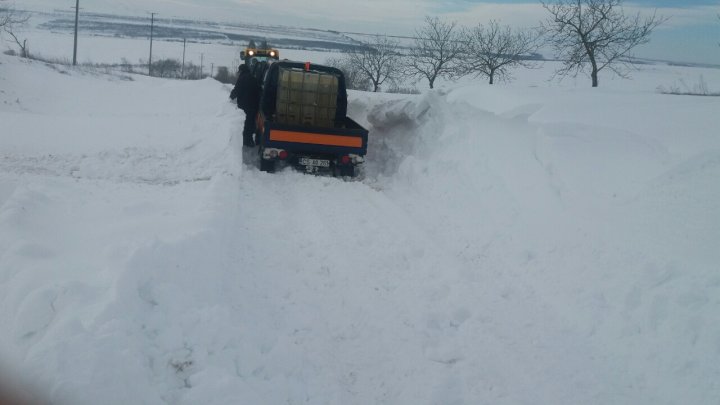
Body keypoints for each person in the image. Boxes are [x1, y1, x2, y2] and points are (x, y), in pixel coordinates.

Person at [230, 64, 261, 147]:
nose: (239, 73)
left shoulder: (242, 78)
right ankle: (249, 140)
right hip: (254, 106)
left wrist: (231, 97)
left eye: (239, 71)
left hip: (244, 106)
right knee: (250, 123)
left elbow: (237, 89)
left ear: (242, 71)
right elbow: (258, 91)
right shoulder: (253, 78)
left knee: (244, 123)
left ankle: (244, 141)